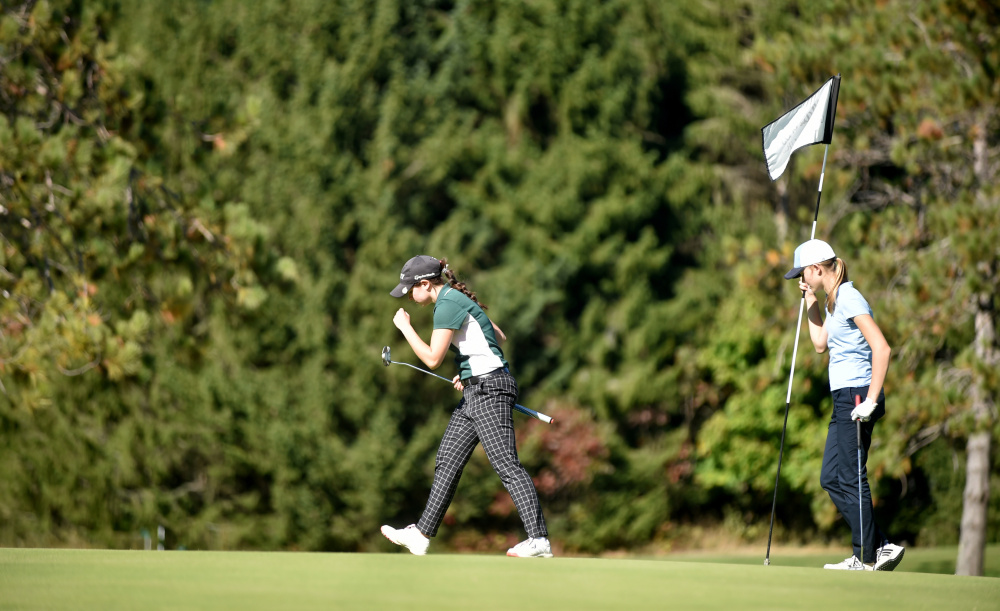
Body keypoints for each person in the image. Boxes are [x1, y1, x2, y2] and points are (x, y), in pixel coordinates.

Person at [380, 255, 552, 558]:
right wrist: (470, 366)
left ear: (424, 284)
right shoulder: (453, 298)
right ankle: (421, 534)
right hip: (478, 388)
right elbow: (496, 334)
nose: (408, 295)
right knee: (448, 459)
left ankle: (538, 539)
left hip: (489, 390)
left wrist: (405, 328)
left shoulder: (446, 304)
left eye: (410, 289)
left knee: (506, 464)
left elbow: (433, 358)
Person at [785, 239, 905, 571]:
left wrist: (870, 400)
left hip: (857, 393)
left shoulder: (849, 297)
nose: (801, 280)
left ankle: (866, 556)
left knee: (851, 476)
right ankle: (879, 546)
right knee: (831, 478)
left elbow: (882, 348)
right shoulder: (832, 301)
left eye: (803, 275)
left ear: (815, 269)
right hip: (843, 397)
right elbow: (820, 344)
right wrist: (810, 301)